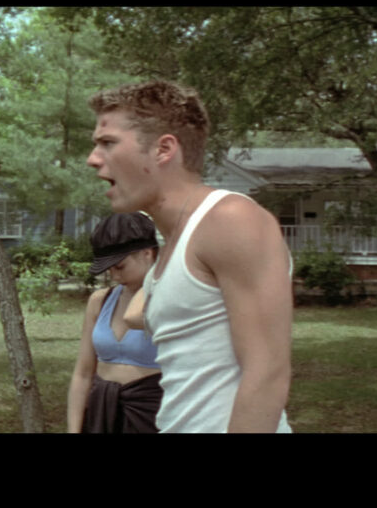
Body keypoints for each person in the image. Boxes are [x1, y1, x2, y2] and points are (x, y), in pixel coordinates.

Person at [86, 80, 292, 433]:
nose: (93, 159)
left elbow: (267, 374)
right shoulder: (171, 250)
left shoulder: (230, 220)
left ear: (163, 149)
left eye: (108, 143)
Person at [68, 212, 163, 434]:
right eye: (108, 269)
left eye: (120, 266)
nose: (114, 276)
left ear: (147, 253)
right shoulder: (100, 301)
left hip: (153, 413)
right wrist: (74, 428)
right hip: (103, 413)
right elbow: (82, 373)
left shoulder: (169, 301)